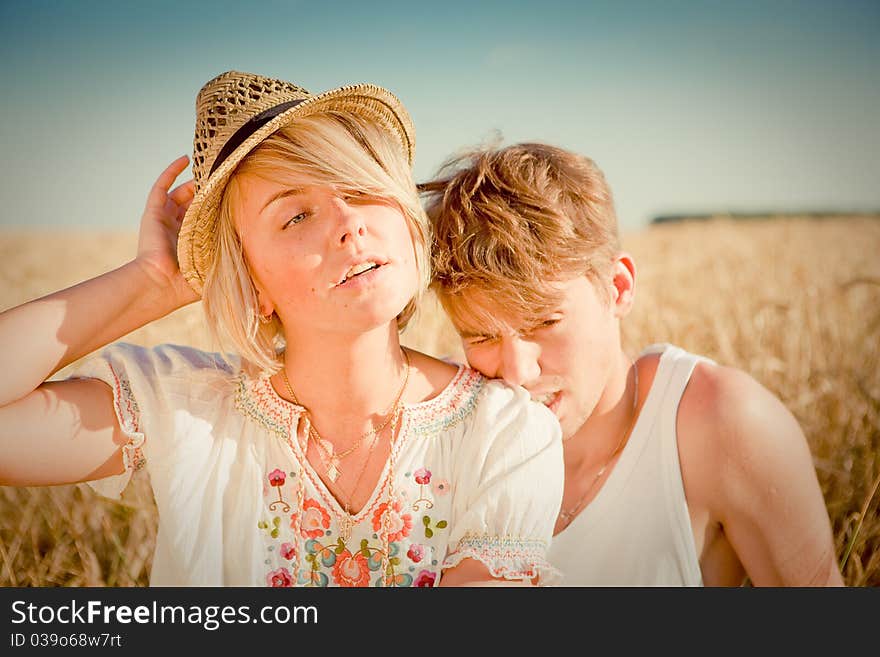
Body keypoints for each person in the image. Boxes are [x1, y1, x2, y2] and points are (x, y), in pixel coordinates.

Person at [0, 72, 564, 587]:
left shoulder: (506, 433)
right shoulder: (186, 411)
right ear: (252, 280)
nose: (349, 224)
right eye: (296, 215)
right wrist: (154, 282)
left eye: (362, 188)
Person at [421, 142, 844, 586]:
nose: (517, 374)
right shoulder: (443, 422)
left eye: (544, 322)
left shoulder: (723, 424)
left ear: (617, 288)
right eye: (481, 336)